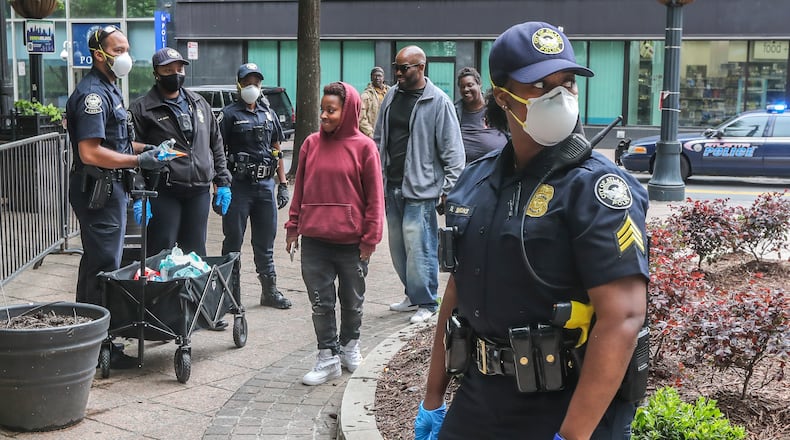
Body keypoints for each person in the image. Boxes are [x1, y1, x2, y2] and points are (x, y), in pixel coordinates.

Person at [416, 22, 649, 440]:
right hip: (481, 395)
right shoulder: (475, 182)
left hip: (567, 406)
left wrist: (572, 436)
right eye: (542, 85)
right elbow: (456, 293)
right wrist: (432, 400)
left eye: (568, 83)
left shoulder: (597, 188)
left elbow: (624, 317)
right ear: (504, 98)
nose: (561, 95)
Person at [66, 26, 175, 365]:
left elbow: (117, 142)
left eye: (127, 47)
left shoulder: (110, 89)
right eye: (119, 49)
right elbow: (91, 152)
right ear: (100, 54)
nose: (127, 54)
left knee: (97, 266)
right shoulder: (92, 96)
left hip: (111, 189)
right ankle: (101, 348)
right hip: (100, 192)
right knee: (104, 269)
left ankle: (85, 337)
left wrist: (150, 150)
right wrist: (137, 160)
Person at [285, 82, 384, 386]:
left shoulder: (365, 147)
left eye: (331, 110)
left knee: (352, 301)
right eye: (322, 109)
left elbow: (374, 199)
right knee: (321, 302)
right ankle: (327, 357)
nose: (324, 116)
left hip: (351, 243)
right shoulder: (310, 145)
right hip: (315, 240)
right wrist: (292, 227)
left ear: (349, 112)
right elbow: (299, 189)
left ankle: (350, 347)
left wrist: (370, 239)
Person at [374, 45, 465, 325]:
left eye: (404, 68)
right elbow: (379, 138)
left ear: (421, 68)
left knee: (420, 247)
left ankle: (427, 300)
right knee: (398, 247)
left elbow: (453, 151)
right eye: (396, 67)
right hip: (392, 185)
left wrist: (448, 188)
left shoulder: (438, 101)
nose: (398, 73)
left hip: (422, 189)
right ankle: (412, 295)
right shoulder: (391, 95)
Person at [129, 47, 232, 259]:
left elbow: (216, 143)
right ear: (156, 73)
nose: (175, 74)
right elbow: (131, 152)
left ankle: (191, 293)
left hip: (199, 191)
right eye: (168, 70)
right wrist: (139, 193)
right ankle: (159, 292)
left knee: (195, 253)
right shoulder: (142, 109)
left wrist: (222, 182)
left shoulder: (199, 104)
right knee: (160, 252)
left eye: (179, 69)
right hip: (164, 192)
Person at [220, 62, 292, 309]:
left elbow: (276, 150)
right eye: (247, 82)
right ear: (238, 84)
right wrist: (220, 186)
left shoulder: (269, 114)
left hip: (264, 186)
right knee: (233, 242)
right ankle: (229, 295)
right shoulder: (229, 114)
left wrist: (283, 184)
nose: (252, 86)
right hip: (238, 187)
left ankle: (269, 292)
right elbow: (218, 153)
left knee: (265, 242)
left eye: (256, 82)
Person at [454, 67, 508, 163]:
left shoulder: (495, 107)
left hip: (498, 166)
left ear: (479, 84)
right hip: (467, 169)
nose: (466, 89)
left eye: (470, 85)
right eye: (462, 87)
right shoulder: (455, 112)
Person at [359, 67, 390, 138]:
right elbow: (361, 118)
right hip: (373, 135)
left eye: (379, 76)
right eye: (375, 76)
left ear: (383, 77)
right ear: (371, 78)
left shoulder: (391, 93)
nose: (377, 78)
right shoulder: (365, 96)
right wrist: (370, 134)